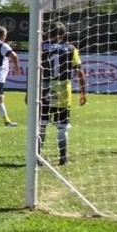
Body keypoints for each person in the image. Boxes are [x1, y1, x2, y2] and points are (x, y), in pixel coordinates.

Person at [38, 22, 87, 165]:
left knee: (41, 125)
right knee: (62, 126)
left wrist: (29, 92)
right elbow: (80, 72)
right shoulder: (71, 48)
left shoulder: (41, 47)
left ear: (49, 33)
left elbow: (36, 70)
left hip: (44, 89)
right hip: (63, 89)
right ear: (64, 35)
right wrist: (83, 92)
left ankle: (37, 157)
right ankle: (63, 158)